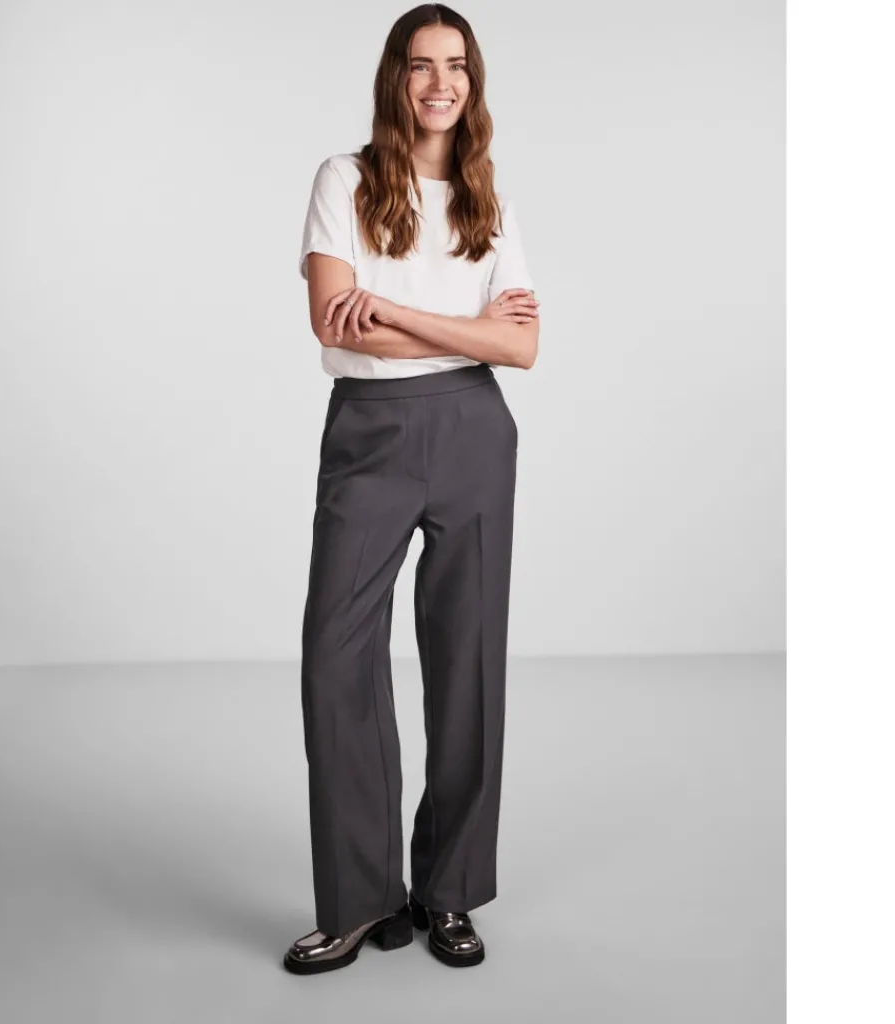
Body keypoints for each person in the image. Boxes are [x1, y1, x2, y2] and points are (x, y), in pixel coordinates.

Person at [284, 3, 540, 975]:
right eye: (423, 64)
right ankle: (360, 899)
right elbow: (333, 323)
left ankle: (448, 890)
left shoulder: (486, 201)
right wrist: (465, 330)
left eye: (457, 66)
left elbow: (523, 348)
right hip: (371, 432)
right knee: (335, 656)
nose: (441, 83)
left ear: (473, 83)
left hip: (475, 430)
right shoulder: (343, 181)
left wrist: (391, 307)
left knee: (467, 660)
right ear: (395, 76)